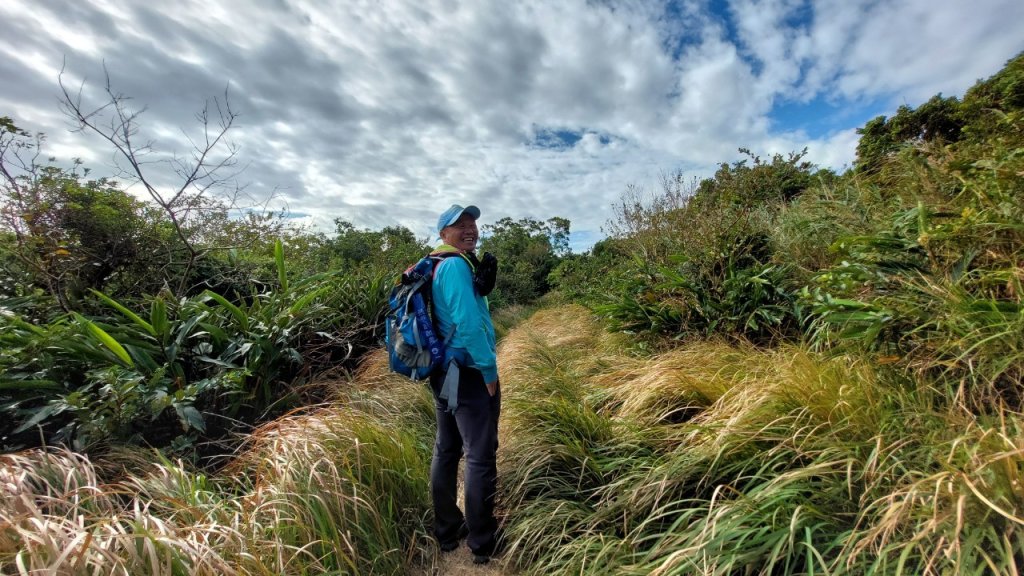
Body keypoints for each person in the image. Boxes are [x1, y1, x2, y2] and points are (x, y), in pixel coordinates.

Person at [429, 203, 502, 564]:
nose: (469, 228)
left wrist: (482, 289)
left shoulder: (438, 264)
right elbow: (469, 326)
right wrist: (489, 372)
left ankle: (447, 530)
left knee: (447, 449)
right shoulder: (456, 266)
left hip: (445, 371)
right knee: (479, 456)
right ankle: (482, 541)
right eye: (459, 224)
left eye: (472, 222)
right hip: (469, 373)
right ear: (443, 234)